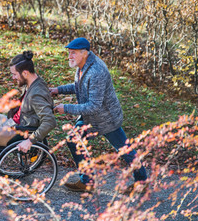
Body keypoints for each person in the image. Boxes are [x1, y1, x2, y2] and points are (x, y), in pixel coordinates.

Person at [50, 37, 147, 193]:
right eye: (69, 52)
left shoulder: (97, 71)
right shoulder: (82, 66)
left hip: (106, 119)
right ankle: (87, 182)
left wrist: (66, 108)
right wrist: (58, 90)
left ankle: (141, 182)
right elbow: (79, 86)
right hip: (91, 117)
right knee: (74, 141)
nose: (69, 56)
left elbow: (94, 106)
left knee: (125, 151)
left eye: (73, 53)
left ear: (84, 53)